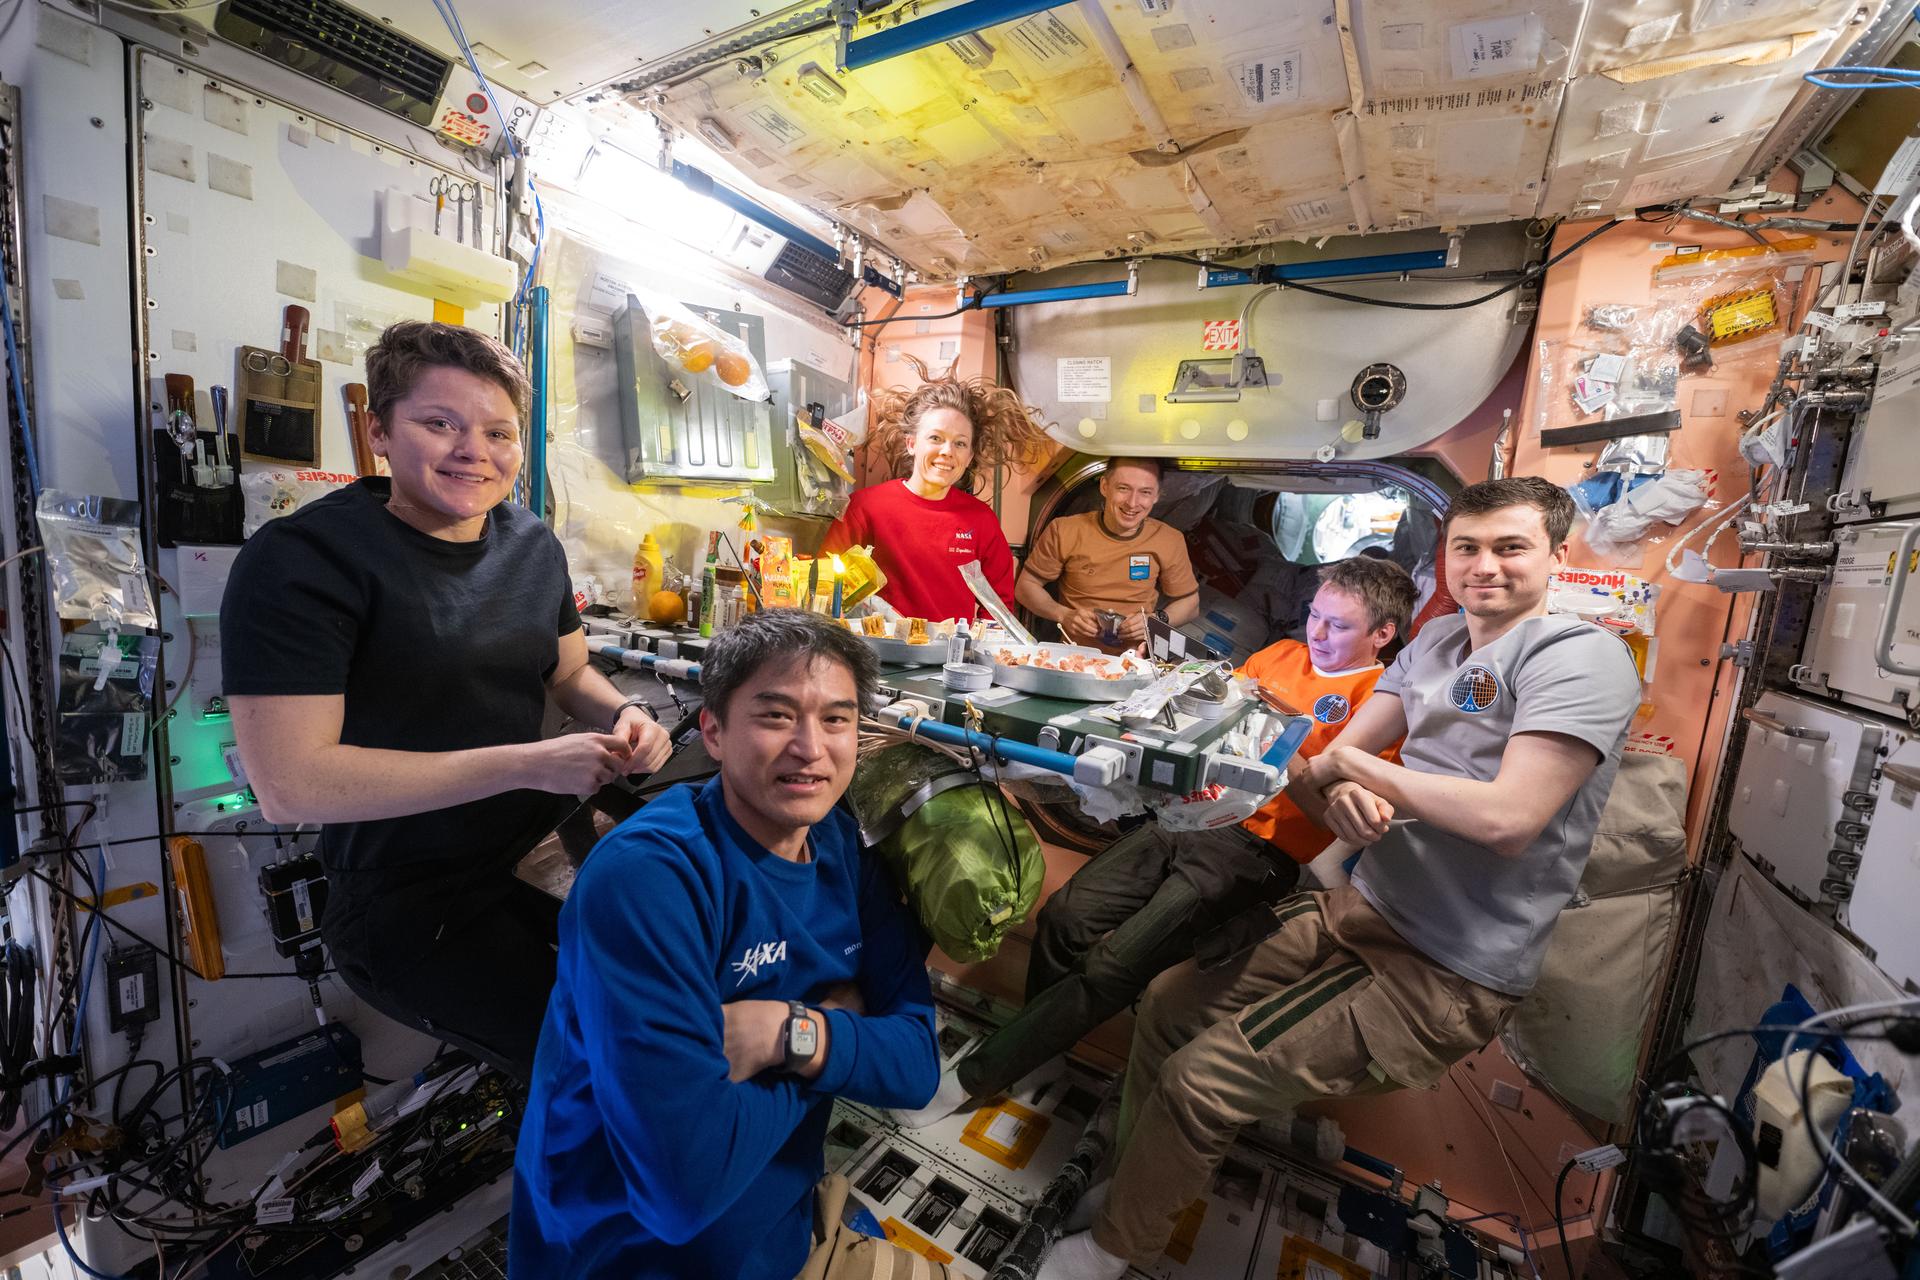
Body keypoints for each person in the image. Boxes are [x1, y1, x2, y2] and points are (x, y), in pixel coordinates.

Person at [1039, 477, 1642, 1280]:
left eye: (1511, 547)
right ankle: (1133, 1186)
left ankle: (1114, 1249)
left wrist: (1364, 774)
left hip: (1444, 966)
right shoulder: (1435, 644)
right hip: (1361, 909)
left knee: (1201, 1080)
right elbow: (1325, 764)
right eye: (1466, 547)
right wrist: (1336, 782)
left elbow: (1509, 817)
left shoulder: (1579, 657)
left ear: (1557, 556)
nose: (1484, 566)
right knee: (1168, 1005)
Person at [221, 321, 671, 1082]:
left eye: (498, 432)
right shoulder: (305, 561)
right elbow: (291, 784)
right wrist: (528, 764)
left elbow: (568, 675)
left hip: (539, 849)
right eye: (440, 424)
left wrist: (625, 714)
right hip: (409, 896)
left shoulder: (530, 543)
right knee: (608, 1066)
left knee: (674, 996)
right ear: (380, 433)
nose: (474, 451)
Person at [898, 557, 1415, 1128]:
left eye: (1338, 625)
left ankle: (976, 1077)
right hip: (1185, 818)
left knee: (1111, 967)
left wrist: (1282, 747)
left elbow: (1335, 819)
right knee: (1066, 915)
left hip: (1256, 853)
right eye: (1315, 615)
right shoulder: (1279, 655)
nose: (1317, 632)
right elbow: (1210, 718)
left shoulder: (1380, 706)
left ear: (1382, 634)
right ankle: (1040, 1056)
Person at [510, 609, 941, 1279]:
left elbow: (916, 1067)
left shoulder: (840, 849)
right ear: (713, 731)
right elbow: (681, 1194)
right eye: (776, 716)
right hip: (633, 1263)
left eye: (836, 719)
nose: (810, 748)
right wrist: (839, 1031)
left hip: (781, 1237)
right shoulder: (651, 879)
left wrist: (786, 1033)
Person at [822, 355, 1049, 623]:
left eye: (960, 443)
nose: (947, 451)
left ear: (970, 456)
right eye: (935, 438)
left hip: (950, 651)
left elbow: (998, 609)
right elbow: (825, 585)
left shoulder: (981, 520)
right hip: (875, 647)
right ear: (911, 444)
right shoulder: (865, 507)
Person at [1016, 457, 1201, 653]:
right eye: (1123, 488)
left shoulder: (1169, 539)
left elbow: (1191, 605)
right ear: (1104, 486)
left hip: (1136, 660)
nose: (1132, 503)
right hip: (1073, 657)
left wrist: (1155, 620)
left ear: (1157, 496)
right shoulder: (1064, 530)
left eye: (1145, 492)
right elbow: (1025, 587)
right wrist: (1063, 615)